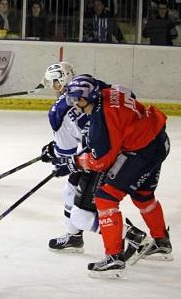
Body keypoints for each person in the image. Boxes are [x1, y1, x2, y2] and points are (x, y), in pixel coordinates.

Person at [53, 75, 172, 278]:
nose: (73, 104)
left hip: (141, 151)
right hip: (158, 140)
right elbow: (127, 94)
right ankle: (161, 243)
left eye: (75, 100)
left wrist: (76, 162)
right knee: (143, 195)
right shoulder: (108, 91)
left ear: (84, 100)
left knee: (106, 197)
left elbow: (102, 162)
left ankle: (114, 259)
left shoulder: (101, 122)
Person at [40, 64, 147, 258]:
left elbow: (66, 154)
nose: (52, 87)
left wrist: (53, 154)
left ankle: (130, 235)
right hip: (114, 149)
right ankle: (73, 237)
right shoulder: (91, 86)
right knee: (69, 191)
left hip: (98, 157)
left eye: (54, 83)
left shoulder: (58, 111)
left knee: (81, 215)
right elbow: (128, 93)